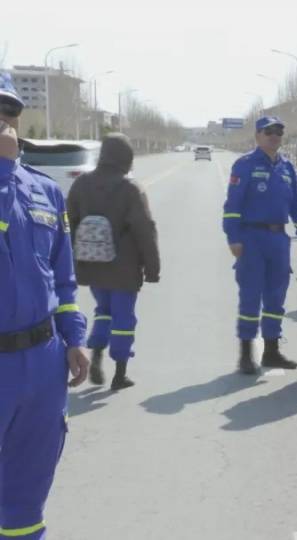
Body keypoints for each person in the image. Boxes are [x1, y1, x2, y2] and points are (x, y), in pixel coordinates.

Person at [0, 72, 89, 540]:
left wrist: (73, 338)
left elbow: (62, 276)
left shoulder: (45, 190)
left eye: (9, 111)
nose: (3, 121)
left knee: (26, 502)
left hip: (42, 362)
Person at [67, 133, 160, 390]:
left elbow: (69, 224)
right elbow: (144, 230)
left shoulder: (81, 184)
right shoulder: (130, 189)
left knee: (103, 310)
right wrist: (152, 268)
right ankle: (120, 373)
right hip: (124, 268)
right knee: (124, 319)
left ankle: (96, 353)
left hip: (92, 265)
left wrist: (71, 261)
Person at [223, 116, 297, 375]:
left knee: (276, 297)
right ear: (258, 136)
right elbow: (232, 206)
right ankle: (246, 353)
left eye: (278, 132)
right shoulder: (245, 164)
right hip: (252, 239)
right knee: (250, 297)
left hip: (278, 239)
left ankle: (271, 351)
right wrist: (233, 238)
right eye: (268, 132)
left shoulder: (287, 168)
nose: (274, 136)